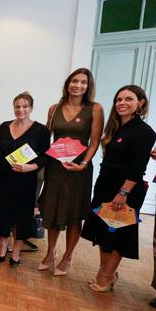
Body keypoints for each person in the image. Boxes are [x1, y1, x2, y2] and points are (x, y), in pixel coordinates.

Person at [80, 85, 156, 291]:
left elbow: (137, 168)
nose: (122, 103)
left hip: (125, 191)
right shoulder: (116, 127)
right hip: (105, 185)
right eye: (119, 99)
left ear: (140, 103)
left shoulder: (144, 132)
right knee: (103, 232)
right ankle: (105, 272)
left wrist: (123, 193)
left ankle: (106, 276)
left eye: (128, 99)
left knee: (117, 234)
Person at [38, 68, 104, 275]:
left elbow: (94, 142)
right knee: (52, 209)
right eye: (74, 81)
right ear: (68, 84)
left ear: (88, 86)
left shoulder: (95, 109)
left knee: (74, 214)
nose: (78, 85)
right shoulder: (54, 108)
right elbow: (45, 138)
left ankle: (68, 257)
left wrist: (83, 163)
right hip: (55, 167)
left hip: (79, 169)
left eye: (83, 82)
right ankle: (50, 252)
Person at [0, 92, 49, 266]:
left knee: (21, 216)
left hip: (26, 180)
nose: (20, 109)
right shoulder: (3, 126)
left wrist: (31, 167)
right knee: (2, 213)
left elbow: (46, 156)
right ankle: (2, 248)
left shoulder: (41, 130)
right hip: (3, 178)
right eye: (17, 106)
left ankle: (16, 252)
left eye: (25, 106)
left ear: (31, 108)